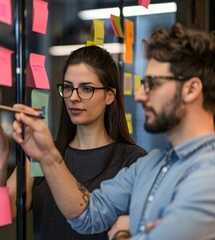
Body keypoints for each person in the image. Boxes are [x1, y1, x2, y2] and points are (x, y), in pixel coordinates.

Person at [12, 23, 215, 240]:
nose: (139, 96)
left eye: (152, 84)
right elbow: (88, 214)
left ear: (191, 89)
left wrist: (127, 232)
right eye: (69, 87)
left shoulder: (208, 174)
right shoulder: (151, 165)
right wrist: (48, 156)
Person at [0, 45, 147, 239]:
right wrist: (0, 157)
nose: (73, 97)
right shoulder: (43, 153)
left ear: (109, 96)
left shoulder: (132, 161)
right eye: (68, 87)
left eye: (86, 89)